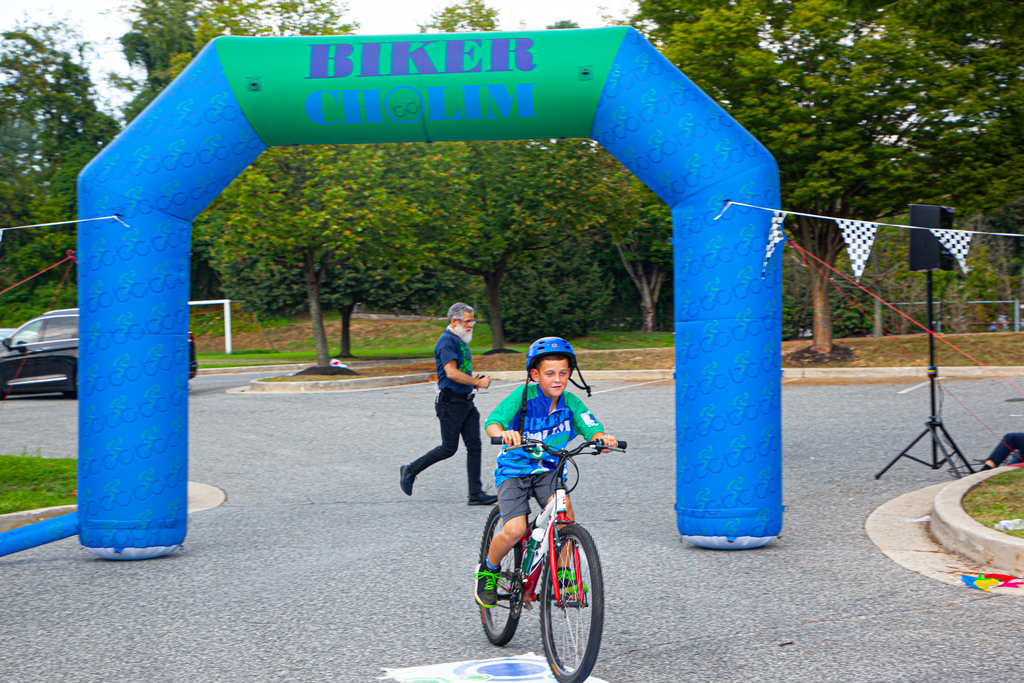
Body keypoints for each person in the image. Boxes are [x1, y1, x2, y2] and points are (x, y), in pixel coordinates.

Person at [473, 337, 616, 609]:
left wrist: (601, 439)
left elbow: (591, 427)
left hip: (549, 470)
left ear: (570, 374)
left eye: (563, 373)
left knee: (563, 514)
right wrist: (503, 434)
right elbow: (493, 423)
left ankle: (563, 574)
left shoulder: (570, 403)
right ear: (535, 375)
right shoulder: (523, 396)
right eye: (550, 373)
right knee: (514, 529)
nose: (557, 379)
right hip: (514, 470)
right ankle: (488, 570)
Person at [400, 303, 498, 506]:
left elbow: (459, 373)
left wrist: (473, 382)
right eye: (468, 321)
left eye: (472, 320)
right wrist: (477, 382)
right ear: (454, 321)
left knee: (475, 447)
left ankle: (476, 494)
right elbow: (451, 373)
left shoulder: (459, 341)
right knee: (448, 448)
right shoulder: (447, 341)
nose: (471, 324)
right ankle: (410, 470)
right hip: (450, 403)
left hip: (466, 402)